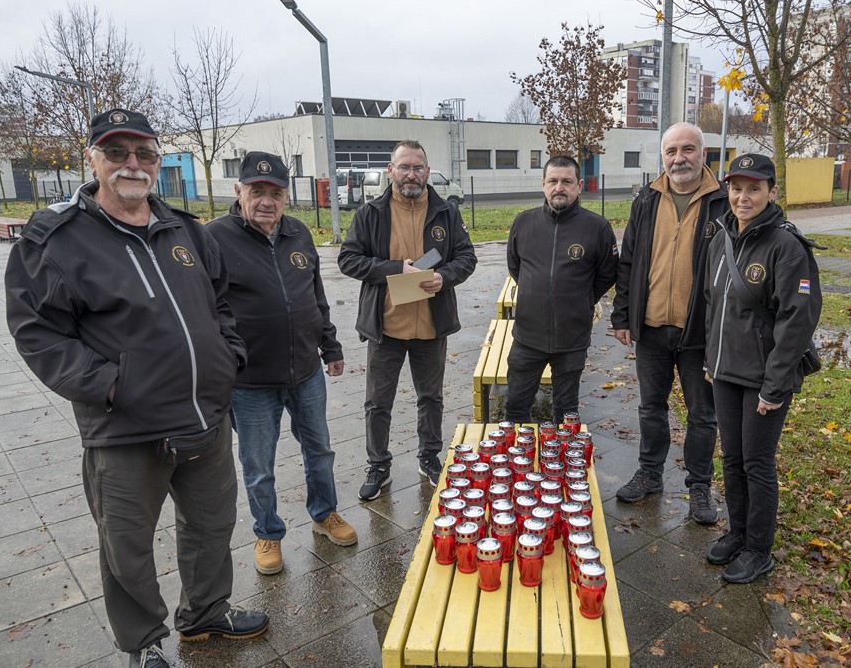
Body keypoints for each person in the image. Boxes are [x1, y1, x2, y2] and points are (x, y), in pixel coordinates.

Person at [4, 108, 267, 668]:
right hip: (126, 428)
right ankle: (144, 643)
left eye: (144, 153)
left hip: (206, 415)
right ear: (93, 158)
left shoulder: (184, 228)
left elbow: (220, 302)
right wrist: (109, 385)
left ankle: (204, 614)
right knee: (127, 548)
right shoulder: (56, 239)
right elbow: (36, 330)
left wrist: (228, 356)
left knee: (212, 526)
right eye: (117, 152)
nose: (132, 164)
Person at [207, 151, 357, 577]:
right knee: (259, 466)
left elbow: (315, 296)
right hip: (250, 381)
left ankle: (324, 513)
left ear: (286, 196)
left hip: (305, 371)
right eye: (257, 191)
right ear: (239, 192)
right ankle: (268, 531)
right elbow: (206, 308)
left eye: (275, 192)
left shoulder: (299, 234)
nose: (266, 201)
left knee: (320, 451)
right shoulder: (215, 238)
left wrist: (330, 346)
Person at [702, 153, 822, 583]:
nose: (743, 197)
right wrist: (709, 360)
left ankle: (759, 549)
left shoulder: (787, 247)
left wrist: (774, 387)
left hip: (764, 380)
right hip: (725, 372)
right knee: (731, 458)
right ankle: (738, 533)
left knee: (756, 462)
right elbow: (713, 304)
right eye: (736, 187)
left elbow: (797, 321)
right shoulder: (720, 239)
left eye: (754, 188)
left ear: (772, 191)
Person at [338, 140, 477, 500]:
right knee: (377, 402)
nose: (411, 174)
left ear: (427, 172)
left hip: (431, 326)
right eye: (404, 167)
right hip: (386, 326)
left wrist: (444, 277)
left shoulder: (445, 211)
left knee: (430, 398)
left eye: (418, 167)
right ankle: (378, 465)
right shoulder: (371, 212)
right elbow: (348, 260)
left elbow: (466, 257)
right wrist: (393, 269)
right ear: (391, 170)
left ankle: (429, 459)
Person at [611, 122, 727, 523]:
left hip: (701, 332)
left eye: (688, 149)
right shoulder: (646, 200)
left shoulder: (723, 201)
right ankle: (650, 473)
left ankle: (699, 486)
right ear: (663, 157)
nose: (680, 158)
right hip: (652, 328)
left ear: (703, 153)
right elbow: (628, 261)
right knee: (650, 408)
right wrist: (622, 314)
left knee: (702, 414)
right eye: (672, 151)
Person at [504, 155, 618, 423]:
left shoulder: (597, 227)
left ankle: (561, 463)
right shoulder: (524, 223)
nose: (559, 187)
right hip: (527, 337)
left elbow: (608, 272)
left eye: (567, 181)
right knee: (516, 408)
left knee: (566, 412)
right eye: (553, 181)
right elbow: (515, 266)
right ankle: (522, 463)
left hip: (572, 339)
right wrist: (537, 292)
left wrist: (582, 299)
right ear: (543, 184)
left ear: (579, 185)